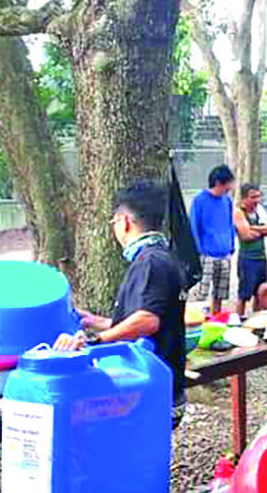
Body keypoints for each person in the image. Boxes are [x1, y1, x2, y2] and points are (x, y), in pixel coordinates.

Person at [54, 180, 190, 422]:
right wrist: (95, 321)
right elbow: (146, 316)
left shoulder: (150, 262)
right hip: (162, 382)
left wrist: (94, 340)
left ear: (124, 222)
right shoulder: (165, 256)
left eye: (114, 222)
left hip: (151, 385)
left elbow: (147, 321)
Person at [188, 164, 236, 315]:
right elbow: (194, 227)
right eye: (227, 184)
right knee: (202, 291)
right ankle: (198, 318)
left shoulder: (226, 201)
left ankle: (216, 317)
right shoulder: (199, 200)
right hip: (207, 254)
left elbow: (230, 224)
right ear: (218, 182)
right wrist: (198, 251)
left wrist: (231, 246)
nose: (229, 187)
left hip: (224, 254)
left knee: (220, 292)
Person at [233, 184, 267, 316]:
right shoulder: (238, 212)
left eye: (258, 196)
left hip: (261, 257)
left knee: (260, 292)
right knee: (244, 294)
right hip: (247, 258)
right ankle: (239, 320)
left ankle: (256, 320)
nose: (257, 200)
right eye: (253, 197)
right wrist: (264, 230)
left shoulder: (260, 211)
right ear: (244, 198)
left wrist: (254, 229)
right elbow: (246, 235)